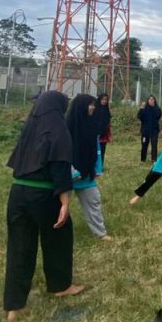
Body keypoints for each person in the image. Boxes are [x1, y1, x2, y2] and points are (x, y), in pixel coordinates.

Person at [3, 90, 85, 322]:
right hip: (44, 193)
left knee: (19, 248)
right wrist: (65, 201)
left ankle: (14, 306)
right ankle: (60, 286)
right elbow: (60, 165)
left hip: (18, 193)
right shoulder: (58, 129)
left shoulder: (29, 127)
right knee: (58, 238)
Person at [66, 93, 112, 241]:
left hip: (86, 174)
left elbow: (96, 150)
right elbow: (60, 154)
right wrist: (72, 173)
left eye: (93, 104)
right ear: (81, 107)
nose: (93, 107)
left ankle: (100, 233)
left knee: (94, 200)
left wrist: (97, 169)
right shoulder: (66, 128)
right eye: (90, 104)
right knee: (58, 205)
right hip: (67, 175)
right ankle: (55, 232)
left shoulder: (92, 126)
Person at [137, 94, 162, 163]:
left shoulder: (157, 109)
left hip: (154, 130)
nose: (151, 100)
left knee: (154, 145)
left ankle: (154, 160)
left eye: (152, 99)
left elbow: (158, 116)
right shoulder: (144, 109)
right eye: (150, 99)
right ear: (147, 101)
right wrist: (141, 108)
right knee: (144, 145)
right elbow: (139, 116)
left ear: (154, 100)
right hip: (145, 131)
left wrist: (153, 108)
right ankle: (143, 159)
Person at [94, 93, 112, 168]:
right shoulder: (95, 109)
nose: (104, 101)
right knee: (94, 150)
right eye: (103, 99)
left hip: (104, 134)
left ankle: (100, 166)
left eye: (106, 100)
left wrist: (101, 132)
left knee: (102, 150)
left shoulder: (106, 110)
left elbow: (107, 123)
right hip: (94, 133)